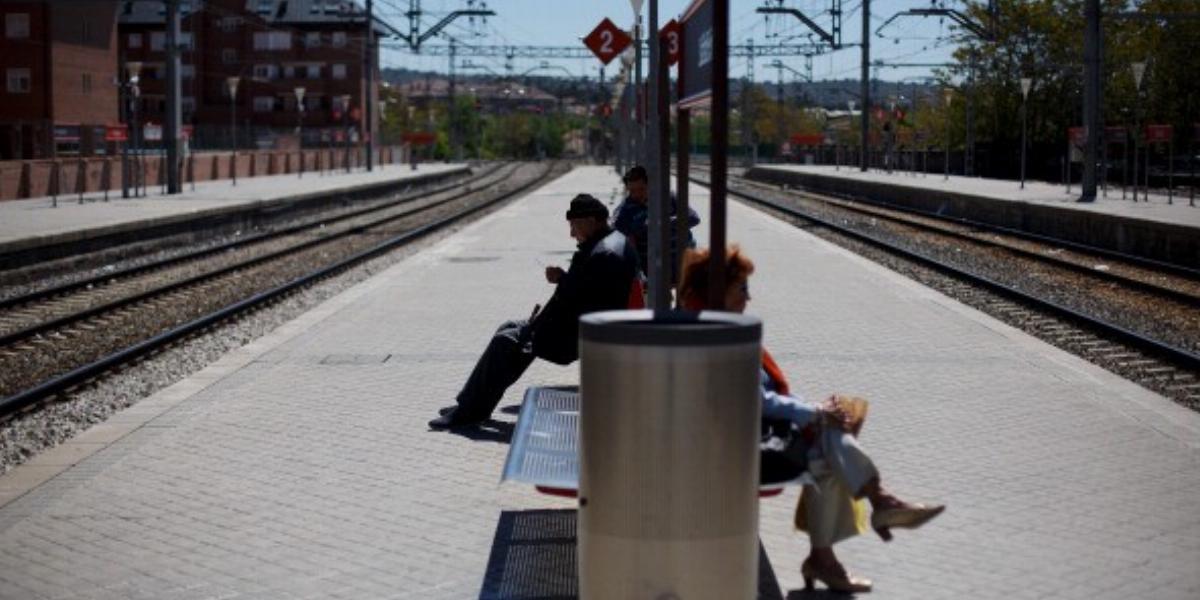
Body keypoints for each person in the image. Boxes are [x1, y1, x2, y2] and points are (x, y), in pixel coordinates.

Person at [677, 247, 945, 594]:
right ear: (718, 291)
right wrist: (817, 411)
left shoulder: (711, 323)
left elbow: (763, 396)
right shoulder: (715, 336)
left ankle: (850, 531)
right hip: (730, 449)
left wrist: (816, 409)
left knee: (828, 446)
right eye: (741, 288)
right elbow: (756, 401)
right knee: (828, 449)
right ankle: (871, 510)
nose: (749, 296)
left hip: (736, 436)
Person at [429, 194, 640, 430]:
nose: (572, 234)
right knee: (509, 329)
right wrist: (562, 284)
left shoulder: (604, 254)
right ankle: (470, 404)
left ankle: (468, 412)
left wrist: (560, 285)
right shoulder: (610, 243)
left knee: (506, 342)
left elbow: (584, 300)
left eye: (574, 225)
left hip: (578, 334)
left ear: (591, 220)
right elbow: (589, 293)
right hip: (584, 326)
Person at [611, 165, 700, 280]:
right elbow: (615, 227)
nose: (637, 195)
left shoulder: (668, 197)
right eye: (632, 191)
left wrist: (662, 223)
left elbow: (694, 217)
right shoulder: (626, 209)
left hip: (679, 258)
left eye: (641, 189)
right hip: (653, 264)